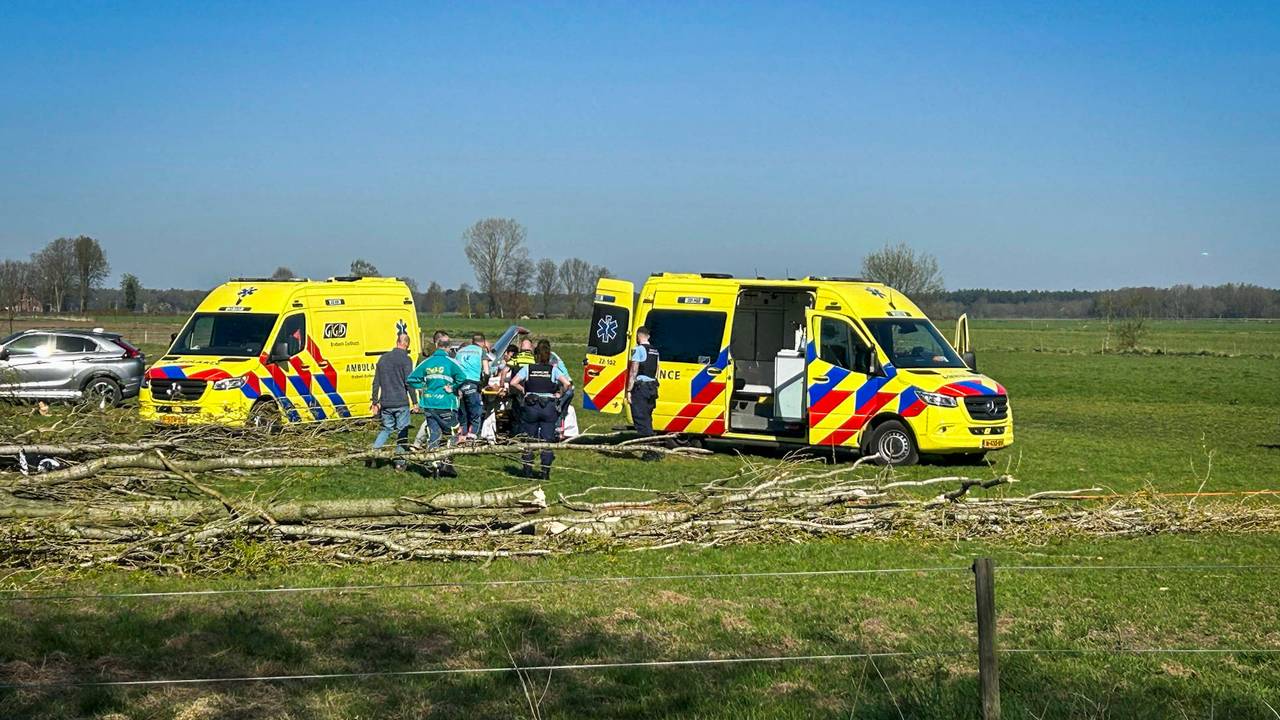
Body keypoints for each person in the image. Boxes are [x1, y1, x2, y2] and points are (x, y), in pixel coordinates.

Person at [508, 339, 572, 479]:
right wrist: (559, 394)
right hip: (548, 407)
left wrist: (524, 390)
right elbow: (567, 383)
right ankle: (545, 472)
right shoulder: (553, 370)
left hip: (531, 406)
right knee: (547, 440)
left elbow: (513, 382)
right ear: (548, 355)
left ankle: (527, 470)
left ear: (535, 355)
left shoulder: (528, 369)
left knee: (528, 439)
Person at [408, 331, 468, 477]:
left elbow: (411, 379)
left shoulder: (426, 362)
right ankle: (447, 459)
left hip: (429, 404)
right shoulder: (451, 362)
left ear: (436, 345)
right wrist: (452, 388)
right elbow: (463, 377)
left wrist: (423, 386)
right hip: (446, 404)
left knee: (434, 433)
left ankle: (433, 463)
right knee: (454, 432)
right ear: (448, 348)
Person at [370, 332, 414, 470]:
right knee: (402, 431)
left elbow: (376, 382)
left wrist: (375, 400)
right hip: (400, 401)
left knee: (386, 429)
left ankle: (374, 453)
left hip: (386, 401)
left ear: (397, 342)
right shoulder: (406, 360)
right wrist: (415, 401)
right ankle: (400, 463)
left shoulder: (383, 359)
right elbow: (409, 383)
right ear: (406, 344)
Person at [453, 333, 489, 442]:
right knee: (475, 414)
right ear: (482, 342)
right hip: (473, 384)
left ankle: (461, 437)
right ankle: (471, 438)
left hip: (459, 385)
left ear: (472, 341)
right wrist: (483, 385)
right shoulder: (481, 351)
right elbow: (487, 372)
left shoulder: (460, 351)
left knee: (462, 414)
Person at [626, 326, 660, 437]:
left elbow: (634, 370)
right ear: (648, 336)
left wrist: (629, 390)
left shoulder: (638, 349)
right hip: (652, 388)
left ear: (638, 336)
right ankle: (652, 444)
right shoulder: (655, 351)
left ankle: (649, 447)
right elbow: (657, 369)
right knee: (647, 417)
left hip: (641, 388)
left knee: (640, 418)